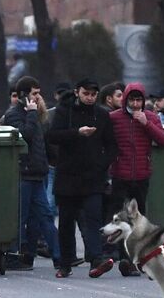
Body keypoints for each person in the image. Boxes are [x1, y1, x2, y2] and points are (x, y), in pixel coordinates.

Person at [46, 78, 118, 277]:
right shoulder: (64, 111)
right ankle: (65, 263)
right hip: (68, 175)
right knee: (67, 221)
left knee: (93, 218)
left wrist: (102, 165)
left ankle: (97, 259)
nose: (90, 98)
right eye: (86, 93)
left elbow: (112, 145)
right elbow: (53, 136)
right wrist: (77, 133)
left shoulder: (102, 115)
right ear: (77, 92)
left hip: (93, 177)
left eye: (93, 94)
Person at [107, 82, 164, 272]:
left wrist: (146, 123)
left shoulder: (150, 117)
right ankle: (124, 257)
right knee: (121, 218)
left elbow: (163, 140)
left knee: (139, 218)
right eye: (132, 100)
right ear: (126, 99)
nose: (135, 104)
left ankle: (139, 256)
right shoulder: (114, 118)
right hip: (120, 174)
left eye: (138, 100)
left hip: (141, 174)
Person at [2, 78, 55, 270]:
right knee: (21, 218)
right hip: (24, 173)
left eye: (39, 93)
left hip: (38, 172)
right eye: (34, 93)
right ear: (25, 96)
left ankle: (52, 256)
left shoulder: (38, 114)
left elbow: (42, 143)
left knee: (42, 217)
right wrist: (32, 114)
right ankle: (15, 255)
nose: (38, 97)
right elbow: (26, 135)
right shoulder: (15, 114)